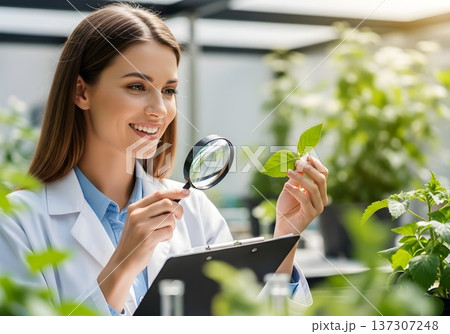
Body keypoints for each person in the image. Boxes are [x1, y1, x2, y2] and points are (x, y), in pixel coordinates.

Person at [0, 3, 328, 316]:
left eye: (168, 90)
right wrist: (123, 264)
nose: (160, 109)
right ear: (81, 92)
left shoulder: (196, 211)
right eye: (136, 86)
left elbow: (243, 317)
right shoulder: (17, 224)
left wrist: (286, 234)